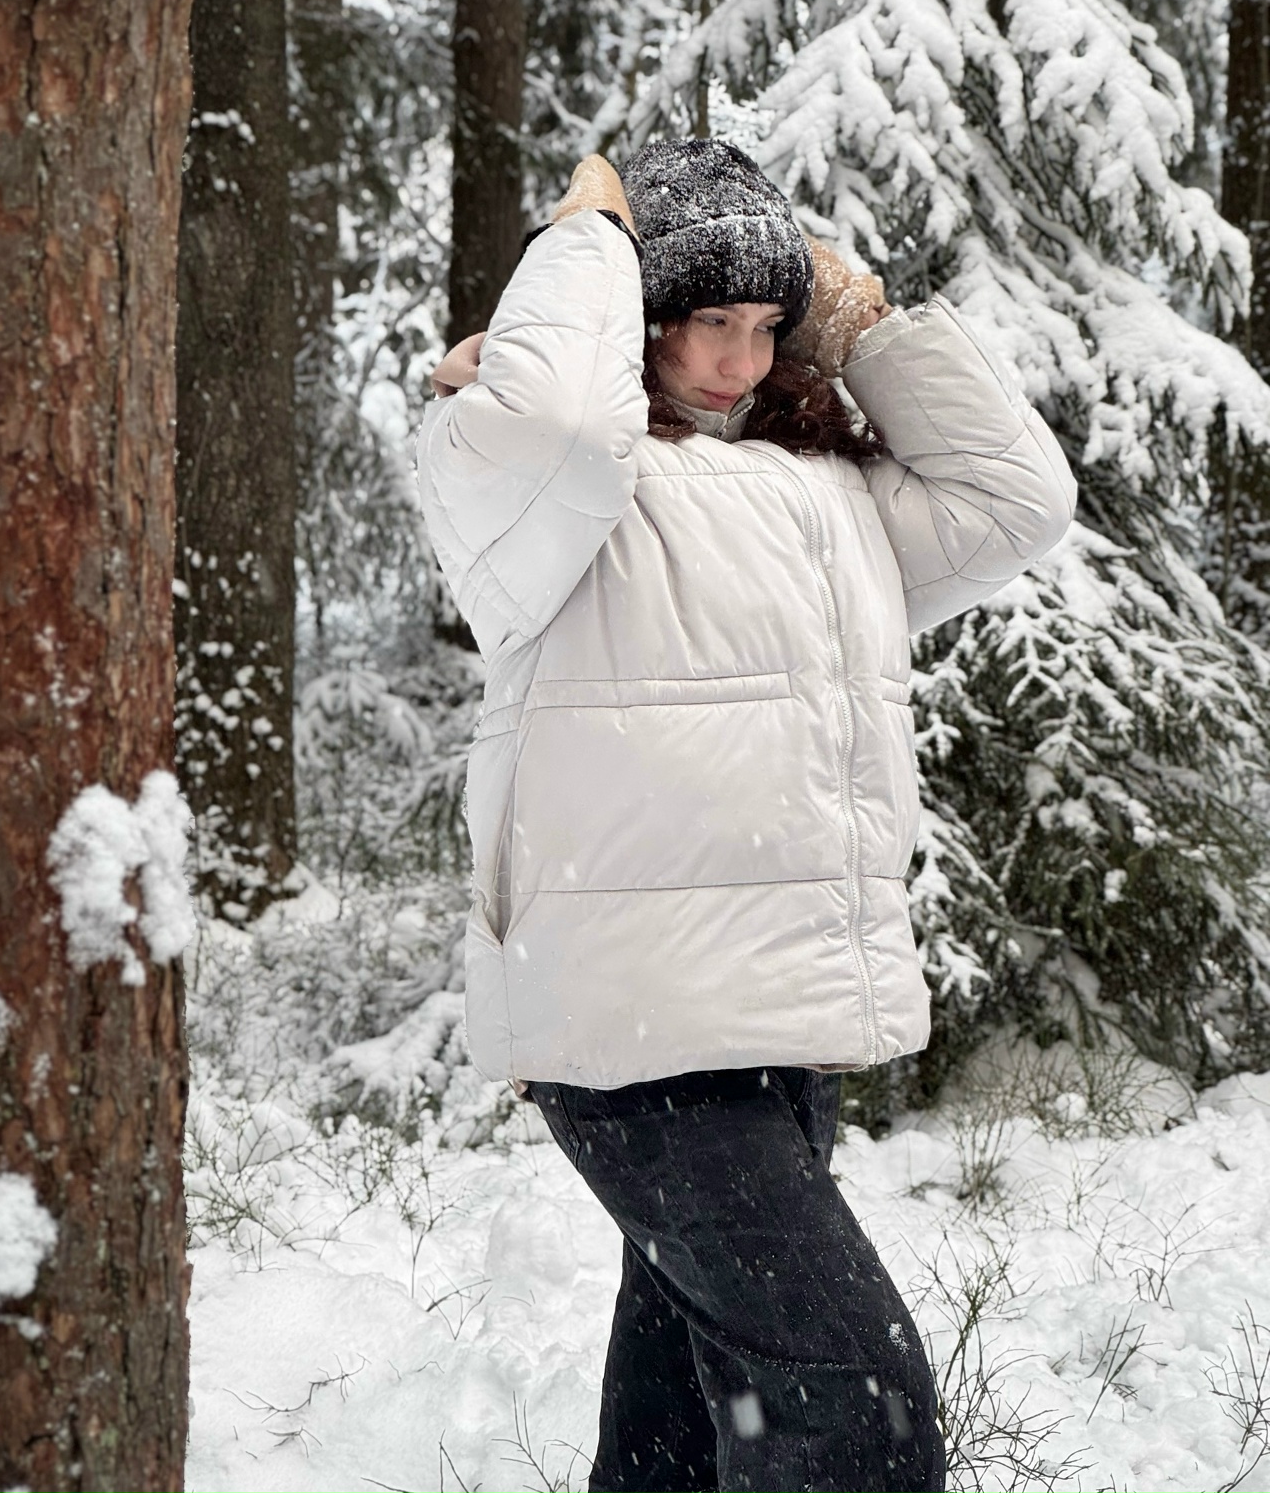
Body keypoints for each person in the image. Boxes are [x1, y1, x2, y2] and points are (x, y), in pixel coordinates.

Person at [417, 139, 1076, 1492]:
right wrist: (596, 236)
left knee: (690, 1437)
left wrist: (865, 321)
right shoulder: (545, 499)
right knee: (859, 1402)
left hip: (774, 1037)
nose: (739, 355)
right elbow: (557, 426)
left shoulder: (835, 501)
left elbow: (1021, 496)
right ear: (640, 319)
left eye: (767, 326)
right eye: (708, 320)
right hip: (640, 1047)